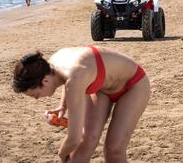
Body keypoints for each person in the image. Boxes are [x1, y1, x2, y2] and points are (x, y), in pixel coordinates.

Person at [12, 46, 150, 163]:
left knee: (114, 150)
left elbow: (73, 138)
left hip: (133, 84)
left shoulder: (75, 79)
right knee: (86, 142)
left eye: (34, 94)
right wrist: (63, 106)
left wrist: (62, 155)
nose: (36, 98)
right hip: (102, 89)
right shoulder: (51, 65)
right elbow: (66, 80)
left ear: (45, 81)